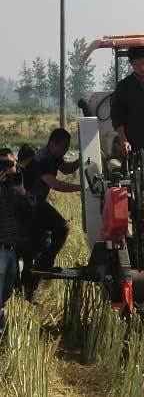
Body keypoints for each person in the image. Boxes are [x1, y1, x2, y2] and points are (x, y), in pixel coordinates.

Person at [22, 129, 80, 299]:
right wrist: (80, 189)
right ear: (52, 143)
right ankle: (43, 267)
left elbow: (67, 169)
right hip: (31, 205)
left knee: (39, 247)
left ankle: (31, 289)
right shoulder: (44, 159)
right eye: (63, 147)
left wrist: (82, 159)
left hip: (37, 204)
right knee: (62, 228)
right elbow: (54, 184)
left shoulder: (53, 156)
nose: (65, 151)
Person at [0, 148, 26, 335]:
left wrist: (17, 177)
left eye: (9, 164)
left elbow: (28, 203)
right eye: (3, 164)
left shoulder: (13, 188)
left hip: (11, 251)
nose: (6, 168)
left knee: (5, 297)